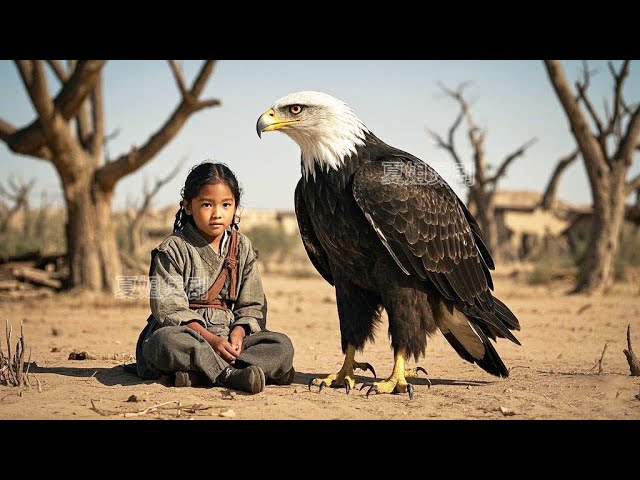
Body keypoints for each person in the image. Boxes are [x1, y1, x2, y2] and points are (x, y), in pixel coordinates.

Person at [132, 161, 295, 394]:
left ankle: (197, 375)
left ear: (235, 206)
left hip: (229, 337)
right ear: (188, 206)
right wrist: (212, 341)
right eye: (207, 204)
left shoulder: (242, 247)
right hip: (188, 336)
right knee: (163, 343)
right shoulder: (172, 249)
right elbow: (169, 309)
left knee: (282, 345)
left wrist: (237, 336)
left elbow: (252, 305)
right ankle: (229, 374)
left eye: (226, 205)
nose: (217, 214)